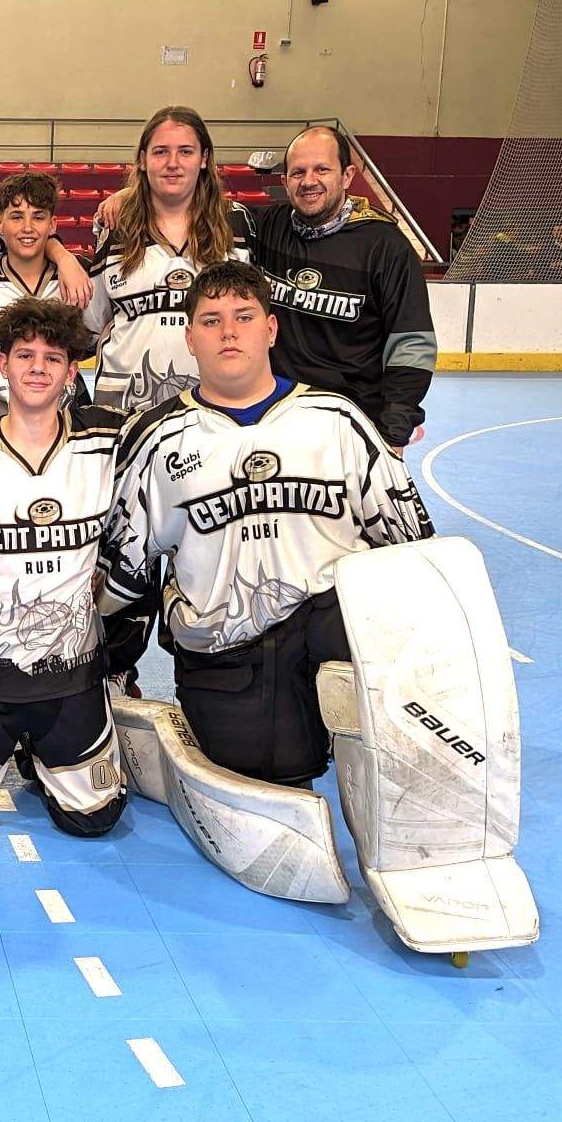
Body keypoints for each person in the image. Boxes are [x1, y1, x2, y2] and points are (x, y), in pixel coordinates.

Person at [103, 259, 434, 786]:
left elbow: (413, 546)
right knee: (270, 771)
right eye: (211, 321)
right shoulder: (157, 438)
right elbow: (125, 570)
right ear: (190, 337)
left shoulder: (338, 421)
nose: (229, 331)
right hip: (225, 647)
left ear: (272, 328)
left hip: (328, 639)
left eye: (244, 316)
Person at [0, 297, 127, 836]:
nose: (38, 368)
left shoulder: (107, 441)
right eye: (25, 355)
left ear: (70, 369)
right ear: (3, 362)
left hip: (71, 667)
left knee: (95, 820)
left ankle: (44, 751)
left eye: (53, 358)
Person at [240, 126, 434, 453]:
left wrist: (394, 432)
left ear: (347, 176)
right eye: (298, 172)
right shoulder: (268, 228)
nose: (308, 180)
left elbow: (411, 344)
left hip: (352, 431)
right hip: (274, 422)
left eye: (322, 169)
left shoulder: (385, 246)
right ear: (285, 180)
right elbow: (196, 210)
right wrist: (135, 195)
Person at [84, 106, 255, 414]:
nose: (173, 164)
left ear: (204, 158)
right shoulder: (117, 227)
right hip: (123, 408)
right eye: (161, 152)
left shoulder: (237, 224)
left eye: (185, 151)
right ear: (142, 159)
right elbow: (93, 321)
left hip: (216, 406)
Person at [0, 171, 87, 416]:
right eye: (16, 217)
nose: (27, 228)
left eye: (38, 217)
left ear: (52, 224)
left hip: (62, 422)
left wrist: (63, 257)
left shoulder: (78, 275)